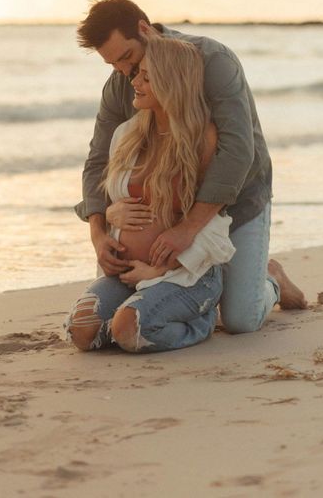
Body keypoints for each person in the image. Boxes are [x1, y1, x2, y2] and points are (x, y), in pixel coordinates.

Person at [74, 0, 306, 337]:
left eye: (127, 57)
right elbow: (98, 161)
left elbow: (237, 151)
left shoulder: (213, 62)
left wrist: (187, 231)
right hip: (172, 215)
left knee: (241, 319)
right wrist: (98, 231)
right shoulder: (122, 83)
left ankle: (271, 278)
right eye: (114, 65)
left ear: (144, 29)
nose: (126, 74)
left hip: (239, 199)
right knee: (112, 312)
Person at [65, 37, 234, 352]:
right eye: (137, 73)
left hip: (186, 274)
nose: (135, 82)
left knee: (129, 331)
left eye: (146, 76)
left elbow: (212, 220)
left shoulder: (203, 140)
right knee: (82, 331)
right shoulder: (126, 135)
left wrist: (160, 270)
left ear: (172, 82)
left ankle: (202, 321)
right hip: (126, 274)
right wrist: (110, 215)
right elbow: (112, 197)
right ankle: (137, 309)